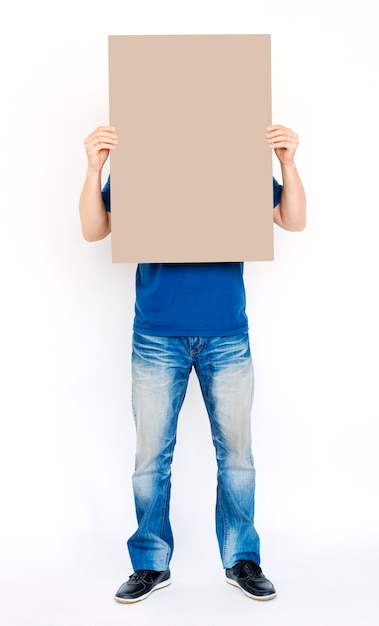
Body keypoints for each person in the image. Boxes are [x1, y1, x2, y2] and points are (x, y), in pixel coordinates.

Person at [79, 123, 306, 604]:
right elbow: (94, 229)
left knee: (238, 457)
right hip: (157, 333)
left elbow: (293, 219)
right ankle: (150, 563)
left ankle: (242, 558)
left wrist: (286, 161)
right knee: (150, 461)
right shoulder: (142, 165)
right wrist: (95, 168)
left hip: (226, 331)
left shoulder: (234, 163)